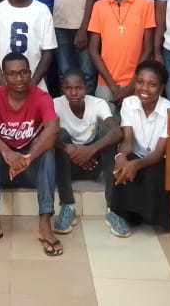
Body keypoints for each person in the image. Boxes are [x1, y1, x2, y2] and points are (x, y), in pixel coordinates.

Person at [0, 52, 61, 256]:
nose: (19, 78)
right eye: (12, 74)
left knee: (47, 149)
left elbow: (52, 129)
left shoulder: (41, 96)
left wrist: (29, 157)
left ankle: (45, 221)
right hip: (4, 171)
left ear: (30, 73)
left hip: (30, 169)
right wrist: (7, 152)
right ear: (3, 76)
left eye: (23, 73)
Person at [108, 61, 170, 234]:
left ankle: (152, 215)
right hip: (136, 155)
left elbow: (159, 153)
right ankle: (120, 214)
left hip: (160, 160)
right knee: (122, 166)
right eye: (140, 82)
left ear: (161, 88)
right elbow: (128, 142)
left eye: (152, 84)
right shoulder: (129, 103)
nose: (144, 88)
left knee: (153, 173)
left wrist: (136, 165)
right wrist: (121, 157)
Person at [52, 68, 122, 235]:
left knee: (108, 134)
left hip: (93, 165)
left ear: (86, 88)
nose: (73, 93)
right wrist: (68, 149)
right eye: (68, 88)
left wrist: (90, 150)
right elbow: (44, 134)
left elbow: (117, 132)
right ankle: (68, 206)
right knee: (58, 134)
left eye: (78, 88)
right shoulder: (55, 104)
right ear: (62, 89)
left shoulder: (98, 103)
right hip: (67, 165)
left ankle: (113, 209)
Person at [88, 0, 156, 108]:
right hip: (106, 82)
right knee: (107, 122)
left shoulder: (145, 4)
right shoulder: (99, 6)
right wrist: (112, 86)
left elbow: (148, 48)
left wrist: (132, 84)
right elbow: (93, 50)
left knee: (135, 122)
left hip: (137, 82)